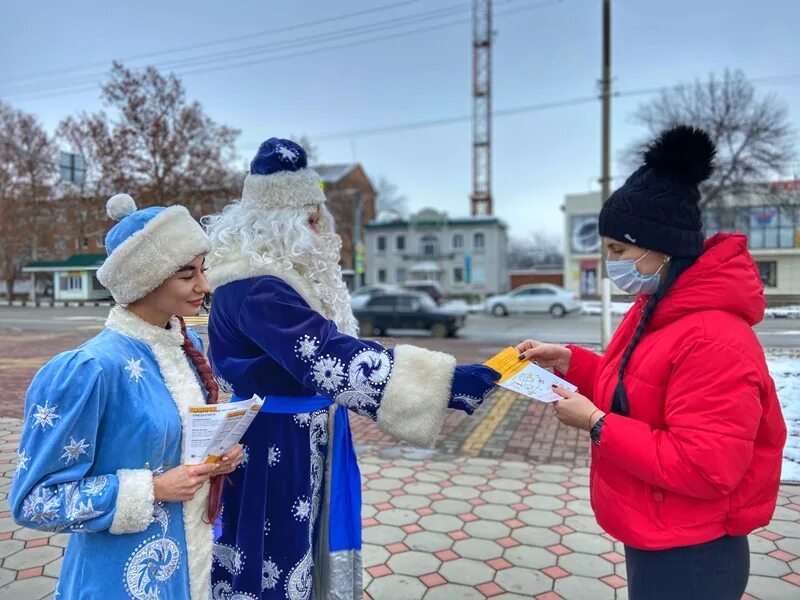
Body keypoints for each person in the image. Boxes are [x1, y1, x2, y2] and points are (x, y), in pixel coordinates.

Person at [203, 138, 500, 600]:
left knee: (304, 546)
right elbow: (325, 356)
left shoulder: (276, 280)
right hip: (276, 443)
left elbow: (336, 345)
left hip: (299, 434)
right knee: (275, 554)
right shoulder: (256, 288)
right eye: (308, 216)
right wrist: (444, 384)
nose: (318, 226)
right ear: (276, 221)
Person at [517, 126, 786, 600]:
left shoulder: (714, 339)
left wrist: (598, 423)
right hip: (662, 533)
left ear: (660, 247)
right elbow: (643, 384)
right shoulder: (660, 306)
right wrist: (570, 361)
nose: (610, 263)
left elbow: (707, 466)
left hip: (694, 553)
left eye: (618, 250)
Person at [10, 194, 244, 600]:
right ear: (145, 279)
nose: (204, 286)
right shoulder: (90, 370)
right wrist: (151, 489)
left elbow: (173, 447)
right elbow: (34, 502)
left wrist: (216, 455)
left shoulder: (186, 345)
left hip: (192, 568)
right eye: (187, 274)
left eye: (203, 270)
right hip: (117, 580)